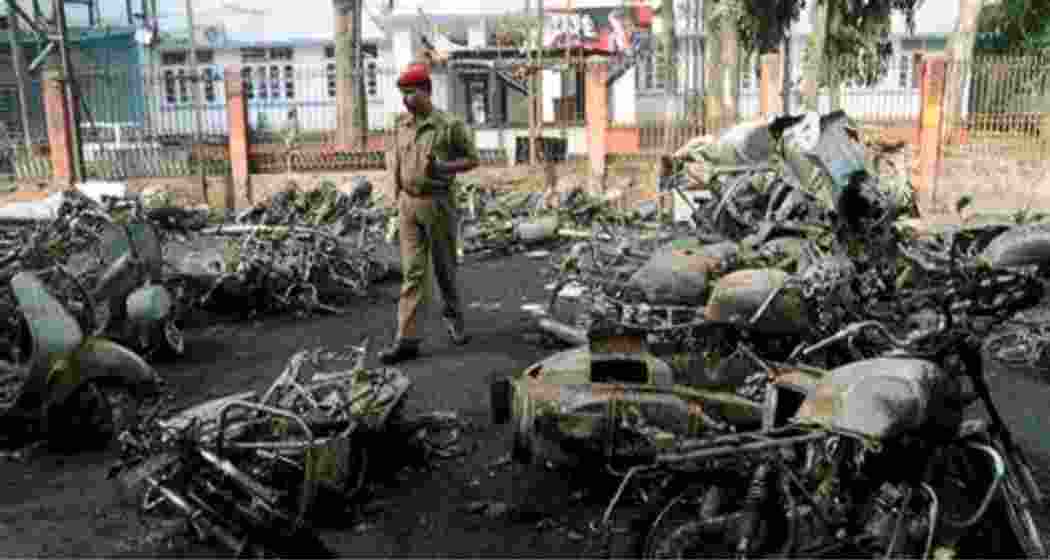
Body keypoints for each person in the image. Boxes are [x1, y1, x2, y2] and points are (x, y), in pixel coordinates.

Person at [379, 62, 480, 365]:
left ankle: (455, 320)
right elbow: (396, 161)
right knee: (412, 273)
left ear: (426, 91)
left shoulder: (449, 126)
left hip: (438, 204)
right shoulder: (401, 125)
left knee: (444, 269)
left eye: (411, 92)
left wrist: (443, 168)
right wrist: (395, 197)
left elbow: (472, 160)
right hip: (408, 205)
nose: (406, 99)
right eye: (402, 93)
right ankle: (407, 339)